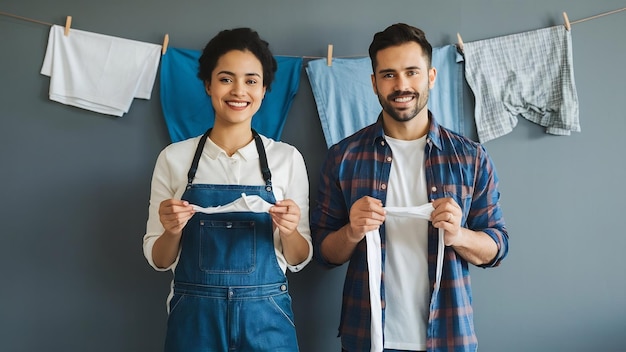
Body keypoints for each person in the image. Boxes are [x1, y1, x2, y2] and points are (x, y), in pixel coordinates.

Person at [311, 23, 509, 352]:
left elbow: (497, 246)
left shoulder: (471, 158)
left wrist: (459, 235)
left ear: (431, 76)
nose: (401, 85)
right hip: (366, 339)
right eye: (388, 75)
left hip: (449, 337)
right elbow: (323, 253)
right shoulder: (342, 157)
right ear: (374, 83)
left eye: (411, 72)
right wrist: (351, 231)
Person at [142, 27, 312, 352]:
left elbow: (300, 258)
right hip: (195, 323)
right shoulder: (174, 158)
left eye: (251, 80)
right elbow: (159, 260)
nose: (239, 91)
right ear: (208, 84)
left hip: (268, 322)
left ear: (264, 89)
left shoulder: (287, 159)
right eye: (225, 78)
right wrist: (171, 230)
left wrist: (289, 231)